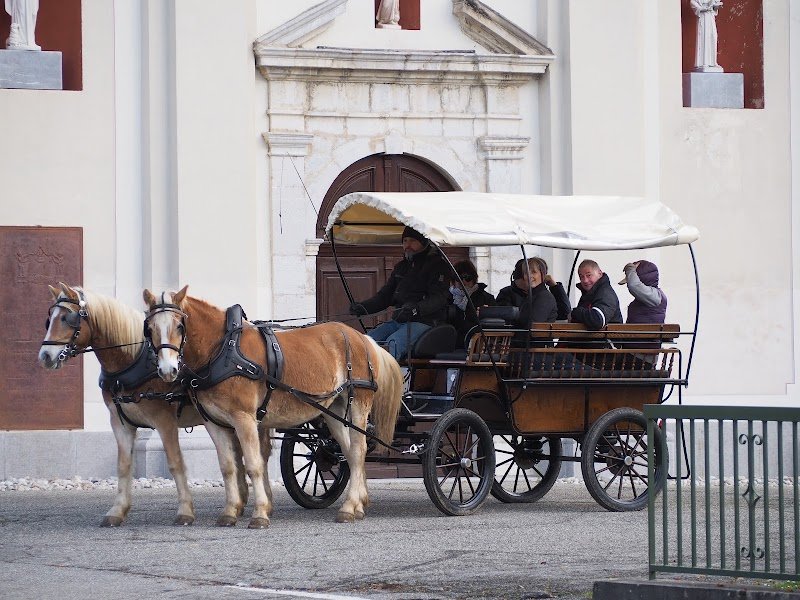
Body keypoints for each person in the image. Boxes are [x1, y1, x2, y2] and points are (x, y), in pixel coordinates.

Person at [349, 226, 450, 361]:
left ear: (424, 242)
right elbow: (385, 296)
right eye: (405, 241)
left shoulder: (437, 266)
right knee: (366, 341)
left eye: (412, 241)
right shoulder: (401, 267)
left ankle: (385, 374)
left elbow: (439, 298)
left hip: (426, 322)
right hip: (399, 320)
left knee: (393, 343)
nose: (408, 245)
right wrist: (363, 307)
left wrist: (416, 309)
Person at [617, 260, 668, 369]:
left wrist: (630, 268)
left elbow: (634, 285)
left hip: (641, 357)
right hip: (636, 353)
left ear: (642, 279)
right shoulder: (648, 298)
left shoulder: (655, 296)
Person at [497, 257, 570, 320]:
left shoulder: (543, 296)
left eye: (534, 272)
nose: (529, 277)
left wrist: (555, 287)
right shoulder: (506, 293)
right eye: (526, 273)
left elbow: (564, 313)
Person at [448, 259, 495, 348]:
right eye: (458, 278)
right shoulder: (447, 298)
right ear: (453, 280)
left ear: (474, 279)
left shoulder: (486, 298)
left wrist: (485, 314)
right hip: (451, 344)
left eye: (467, 278)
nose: (463, 282)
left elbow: (496, 323)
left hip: (477, 345)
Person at [570, 259, 623, 330]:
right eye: (581, 277)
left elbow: (597, 320)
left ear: (600, 273)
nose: (585, 280)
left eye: (589, 275)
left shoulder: (605, 293)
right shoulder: (589, 293)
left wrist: (575, 312)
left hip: (608, 336)